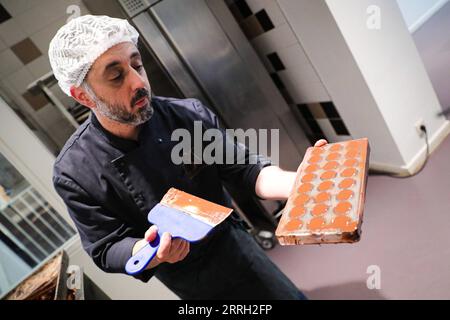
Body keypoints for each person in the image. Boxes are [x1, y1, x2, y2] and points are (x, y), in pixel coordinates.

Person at [49, 15, 327, 299]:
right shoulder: (74, 172)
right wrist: (150, 251)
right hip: (185, 274)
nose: (138, 82)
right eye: (117, 76)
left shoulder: (185, 116)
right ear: (83, 96)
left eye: (137, 65)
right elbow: (106, 246)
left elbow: (246, 169)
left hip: (232, 246)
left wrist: (302, 183)